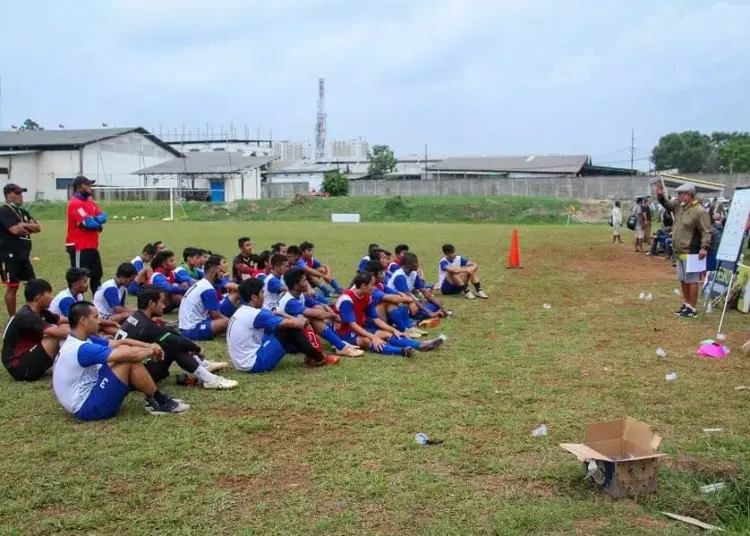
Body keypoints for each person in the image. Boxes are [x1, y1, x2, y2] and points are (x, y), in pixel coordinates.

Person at [52, 301, 189, 420]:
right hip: (87, 408)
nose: (99, 321)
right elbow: (128, 355)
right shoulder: (82, 349)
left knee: (123, 350)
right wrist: (152, 351)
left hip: (87, 394)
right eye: (95, 317)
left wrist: (150, 346)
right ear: (83, 321)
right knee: (127, 359)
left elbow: (120, 343)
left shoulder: (80, 339)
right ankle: (158, 401)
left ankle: (155, 399)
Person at [119, 287, 237, 389]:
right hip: (132, 376)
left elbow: (167, 332)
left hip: (126, 372)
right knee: (174, 346)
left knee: (170, 338)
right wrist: (197, 349)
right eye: (161, 302)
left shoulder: (137, 317)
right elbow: (176, 341)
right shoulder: (146, 326)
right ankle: (210, 379)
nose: (164, 305)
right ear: (151, 304)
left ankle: (203, 365)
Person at [228, 279, 340, 372]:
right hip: (254, 363)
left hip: (241, 363)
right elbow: (296, 324)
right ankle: (318, 358)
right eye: (262, 293)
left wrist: (284, 315)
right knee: (289, 330)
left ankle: (311, 356)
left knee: (281, 330)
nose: (264, 295)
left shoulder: (243, 310)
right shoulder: (255, 314)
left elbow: (273, 316)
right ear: (254, 297)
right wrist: (302, 320)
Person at [334, 271, 443, 357]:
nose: (374, 287)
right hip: (343, 333)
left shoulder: (367, 297)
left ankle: (420, 345)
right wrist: (373, 337)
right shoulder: (347, 299)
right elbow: (352, 325)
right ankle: (401, 351)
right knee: (367, 340)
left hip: (358, 328)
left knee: (388, 334)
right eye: (372, 285)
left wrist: (393, 330)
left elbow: (376, 319)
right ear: (363, 286)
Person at [279, 268, 364, 357]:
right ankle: (340, 346)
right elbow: (315, 314)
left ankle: (339, 343)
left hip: (295, 333)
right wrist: (334, 316)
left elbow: (321, 305)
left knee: (318, 308)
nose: (307, 283)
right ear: (296, 286)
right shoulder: (290, 301)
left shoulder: (299, 294)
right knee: (314, 317)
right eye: (304, 281)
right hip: (285, 340)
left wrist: (332, 315)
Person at [656, 182, 711, 318]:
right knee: (683, 279)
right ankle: (686, 304)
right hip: (679, 250)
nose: (678, 196)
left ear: (688, 195)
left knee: (692, 280)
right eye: (678, 194)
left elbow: (706, 231)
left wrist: (704, 247)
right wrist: (660, 196)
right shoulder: (679, 207)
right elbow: (666, 204)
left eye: (681, 194)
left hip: (692, 250)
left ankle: (692, 308)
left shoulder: (699, 211)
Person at [2, 279, 70, 381]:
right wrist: (83, 329)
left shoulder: (40, 311)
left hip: (26, 358)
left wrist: (87, 321)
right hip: (19, 368)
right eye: (49, 294)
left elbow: (62, 320)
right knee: (55, 336)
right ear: (39, 297)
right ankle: (68, 365)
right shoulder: (26, 315)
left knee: (63, 328)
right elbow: (57, 332)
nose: (52, 297)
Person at [0, 183, 42, 316]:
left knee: (32, 285)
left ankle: (32, 314)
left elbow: (38, 227)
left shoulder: (22, 212)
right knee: (13, 287)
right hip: (10, 255)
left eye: (21, 193)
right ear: (8, 195)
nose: (21, 196)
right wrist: (26, 227)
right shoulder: (4, 211)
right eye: (17, 193)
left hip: (23, 255)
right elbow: (15, 230)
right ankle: (12, 319)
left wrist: (23, 224)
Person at [65, 175, 107, 294]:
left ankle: (97, 305)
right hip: (79, 246)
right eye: (87, 185)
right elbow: (89, 223)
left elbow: (103, 217)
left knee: (97, 276)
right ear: (79, 187)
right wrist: (94, 223)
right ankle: (78, 307)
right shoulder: (75, 203)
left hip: (92, 245)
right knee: (79, 279)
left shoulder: (90, 202)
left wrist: (94, 221)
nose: (90, 187)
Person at [178, 255, 231, 340]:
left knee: (226, 319)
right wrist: (234, 323)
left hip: (186, 326)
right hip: (191, 329)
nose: (223, 275)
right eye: (221, 272)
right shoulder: (208, 289)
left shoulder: (202, 283)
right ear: (213, 272)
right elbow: (216, 316)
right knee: (227, 322)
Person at [388, 252, 449, 320]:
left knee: (438, 302)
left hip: (410, 301)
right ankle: (422, 315)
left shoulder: (413, 273)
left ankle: (428, 313)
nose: (418, 264)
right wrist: (429, 312)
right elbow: (410, 298)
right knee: (415, 307)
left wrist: (443, 308)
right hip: (399, 305)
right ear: (409, 264)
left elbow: (426, 293)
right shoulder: (400, 276)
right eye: (416, 262)